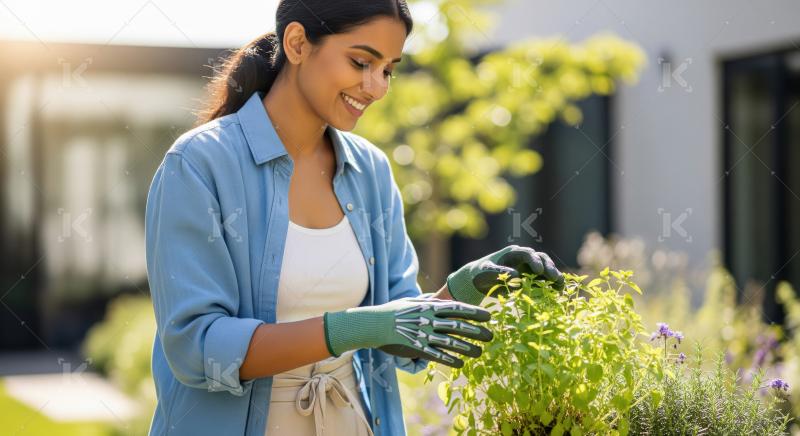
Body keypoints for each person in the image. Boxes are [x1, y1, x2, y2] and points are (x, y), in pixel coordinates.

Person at [143, 1, 563, 435]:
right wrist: (352, 328)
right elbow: (197, 348)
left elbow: (400, 332)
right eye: (361, 62)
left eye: (388, 70)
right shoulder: (199, 164)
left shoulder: (370, 171)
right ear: (297, 43)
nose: (376, 87)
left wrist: (464, 288)